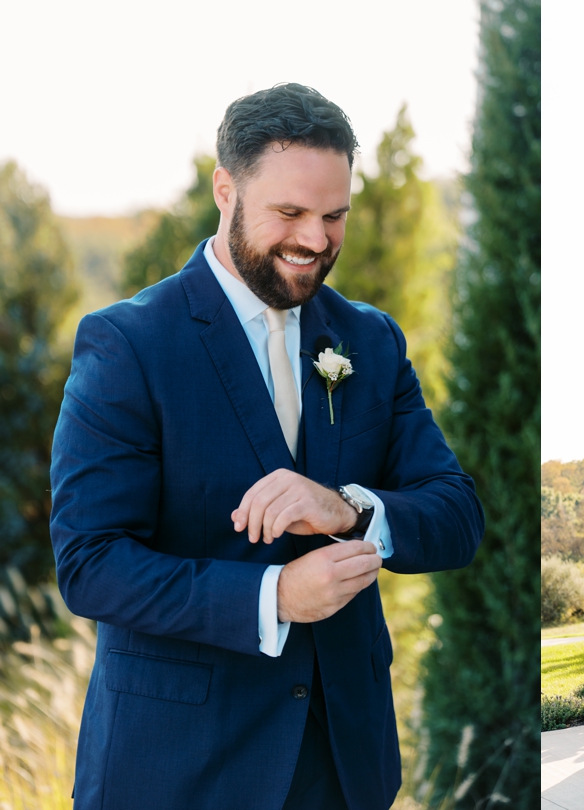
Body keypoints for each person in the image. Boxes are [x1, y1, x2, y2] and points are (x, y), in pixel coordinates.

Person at [49, 84, 484, 810]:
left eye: (334, 216)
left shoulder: (370, 340)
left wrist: (348, 510)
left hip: (343, 765)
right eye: (290, 213)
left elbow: (457, 517)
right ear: (227, 189)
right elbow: (90, 565)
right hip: (176, 770)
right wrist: (273, 596)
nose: (315, 240)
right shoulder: (128, 342)